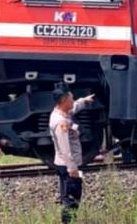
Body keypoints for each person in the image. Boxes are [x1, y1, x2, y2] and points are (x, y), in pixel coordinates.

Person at [49, 85, 95, 224]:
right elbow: (65, 148)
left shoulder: (61, 112)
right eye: (71, 98)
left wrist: (84, 101)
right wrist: (72, 168)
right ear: (63, 101)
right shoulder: (60, 122)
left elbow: (73, 108)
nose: (73, 101)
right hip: (68, 165)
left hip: (66, 164)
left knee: (69, 197)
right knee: (71, 199)